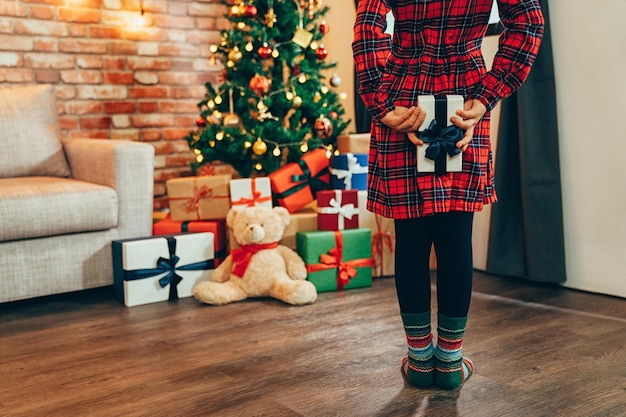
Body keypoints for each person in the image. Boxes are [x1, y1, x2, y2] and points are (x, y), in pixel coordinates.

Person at [352, 0, 544, 390]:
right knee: (457, 238)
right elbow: (528, 22)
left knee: (410, 240)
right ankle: (451, 361)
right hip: (466, 95)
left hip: (403, 94)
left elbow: (368, 25)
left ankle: (421, 361)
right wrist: (487, 95)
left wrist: (382, 102)